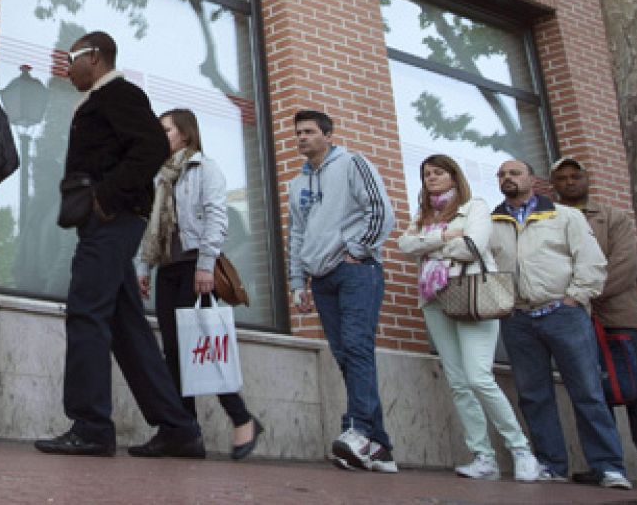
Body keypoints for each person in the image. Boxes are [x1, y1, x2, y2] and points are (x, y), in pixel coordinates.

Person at [34, 32, 204, 460]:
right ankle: (179, 428)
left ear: (94, 56)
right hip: (107, 223)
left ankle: (91, 426)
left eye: (70, 58)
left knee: (86, 310)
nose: (65, 67)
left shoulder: (121, 93)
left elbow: (149, 147)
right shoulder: (98, 100)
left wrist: (105, 199)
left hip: (114, 221)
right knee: (128, 329)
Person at [394, 154, 538, 481]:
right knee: (458, 382)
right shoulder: (424, 214)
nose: (431, 178)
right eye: (427, 173)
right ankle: (482, 456)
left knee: (478, 377)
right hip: (435, 300)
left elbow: (472, 246)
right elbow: (405, 244)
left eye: (438, 173)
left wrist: (430, 244)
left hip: (472, 293)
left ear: (454, 176)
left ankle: (520, 449)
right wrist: (445, 237)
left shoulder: (475, 206)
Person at [490, 159, 630, 489]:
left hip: (563, 314)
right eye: (501, 174)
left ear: (533, 180)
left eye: (514, 173)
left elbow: (591, 260)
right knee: (533, 395)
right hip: (518, 319)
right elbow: (487, 266)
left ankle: (609, 466)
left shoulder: (564, 216)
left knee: (587, 391)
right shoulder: (492, 222)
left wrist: (575, 297)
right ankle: (552, 464)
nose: (507, 178)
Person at [136, 108, 262, 460]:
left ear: (186, 134)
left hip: (195, 266)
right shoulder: (161, 176)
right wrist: (144, 269)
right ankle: (184, 432)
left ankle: (242, 418)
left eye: (166, 130)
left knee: (203, 347)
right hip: (168, 268)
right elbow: (152, 227)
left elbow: (217, 219)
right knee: (174, 354)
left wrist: (206, 265)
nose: (161, 135)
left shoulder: (204, 168)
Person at [287, 109, 397, 473]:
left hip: (356, 272)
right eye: (298, 132)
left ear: (328, 135)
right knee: (346, 354)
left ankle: (358, 430)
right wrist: (297, 282)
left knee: (356, 346)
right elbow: (297, 235)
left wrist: (358, 249)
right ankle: (379, 447)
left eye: (309, 132)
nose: (302, 137)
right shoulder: (296, 184)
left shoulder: (353, 163)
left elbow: (381, 211)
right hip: (321, 278)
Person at [550, 156, 637, 489]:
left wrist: (583, 293)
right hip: (572, 318)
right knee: (590, 391)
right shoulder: (550, 219)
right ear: (553, 184)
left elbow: (626, 266)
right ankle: (606, 464)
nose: (570, 182)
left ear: (587, 180)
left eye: (576, 176)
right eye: (562, 178)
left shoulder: (614, 218)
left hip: (616, 317)